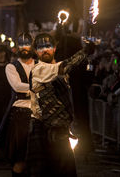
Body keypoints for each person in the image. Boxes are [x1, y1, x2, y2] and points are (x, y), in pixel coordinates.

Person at [26, 33, 94, 176]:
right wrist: (84, 52)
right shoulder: (37, 69)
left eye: (48, 46)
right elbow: (66, 66)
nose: (44, 50)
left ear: (55, 48)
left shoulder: (61, 71)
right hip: (43, 132)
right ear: (35, 51)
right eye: (40, 47)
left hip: (62, 131)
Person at [5, 33, 35, 176]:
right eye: (21, 44)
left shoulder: (40, 64)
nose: (24, 47)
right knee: (20, 158)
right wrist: (38, 87)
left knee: (36, 158)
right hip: (21, 113)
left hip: (39, 113)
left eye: (27, 43)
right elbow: (17, 86)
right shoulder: (12, 67)